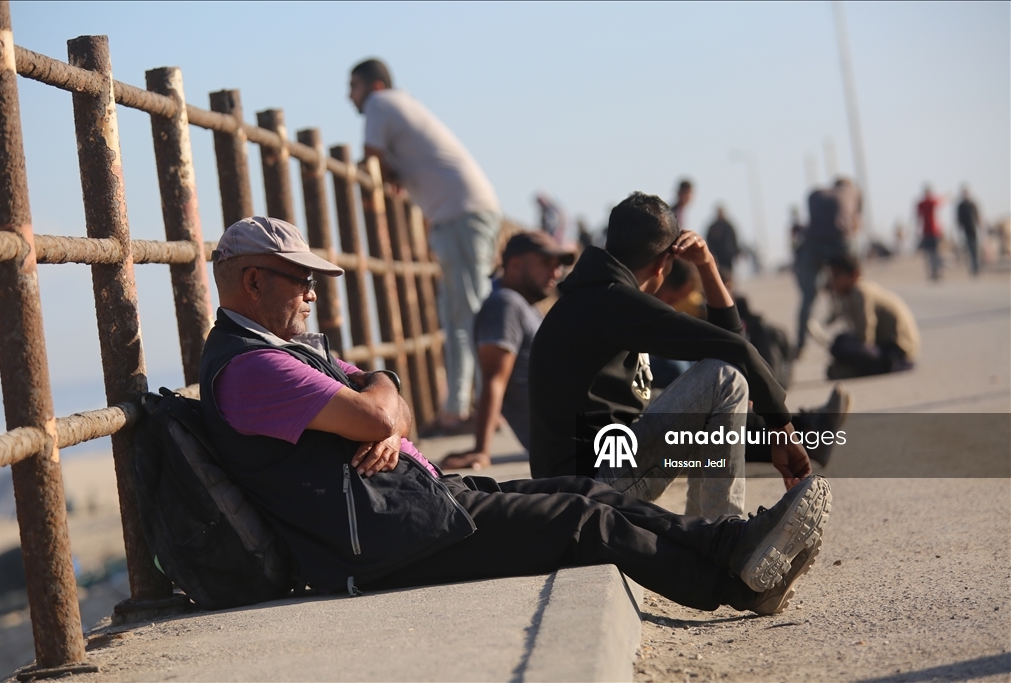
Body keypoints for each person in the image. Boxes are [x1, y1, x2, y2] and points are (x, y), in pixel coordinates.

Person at [198, 215, 833, 618]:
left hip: (409, 506)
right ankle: (736, 583)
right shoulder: (253, 368)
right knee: (580, 520)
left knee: (584, 490)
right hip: (389, 537)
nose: (313, 292)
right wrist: (378, 406)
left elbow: (397, 414)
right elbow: (374, 417)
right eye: (300, 279)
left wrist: (383, 392)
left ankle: (732, 547)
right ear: (253, 282)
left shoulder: (279, 353)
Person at [529, 192, 812, 518]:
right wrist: (783, 430)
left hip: (588, 483)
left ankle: (703, 530)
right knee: (724, 380)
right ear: (663, 263)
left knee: (713, 391)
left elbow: (729, 346)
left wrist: (706, 265)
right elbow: (736, 352)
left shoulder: (596, 296)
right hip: (590, 490)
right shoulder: (610, 301)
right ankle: (724, 532)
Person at [349, 58, 502, 432]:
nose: (348, 95)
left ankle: (482, 412)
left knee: (469, 316)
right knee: (457, 318)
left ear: (374, 85)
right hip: (460, 213)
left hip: (460, 214)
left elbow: (371, 159)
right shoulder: (400, 104)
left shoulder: (379, 104)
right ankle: (460, 410)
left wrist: (377, 177)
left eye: (352, 85)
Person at [440, 232, 575, 470]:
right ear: (514, 264)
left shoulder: (526, 306)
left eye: (558, 267)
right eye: (546, 263)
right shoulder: (504, 304)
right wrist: (481, 450)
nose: (556, 273)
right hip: (568, 441)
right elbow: (495, 380)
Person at [794, 178, 861, 356]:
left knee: (808, 295)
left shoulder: (816, 194)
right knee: (853, 285)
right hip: (840, 241)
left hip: (813, 244)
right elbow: (855, 222)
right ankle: (857, 333)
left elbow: (812, 220)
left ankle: (800, 343)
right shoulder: (854, 192)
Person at [824, 255, 920, 379]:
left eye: (836, 276)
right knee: (842, 345)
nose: (832, 281)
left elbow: (865, 338)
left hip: (898, 355)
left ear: (854, 275)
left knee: (840, 344)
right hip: (890, 350)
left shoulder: (860, 293)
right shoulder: (853, 293)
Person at [916, 185, 944, 281]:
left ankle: (936, 272)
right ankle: (931, 273)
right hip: (926, 232)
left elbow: (939, 202)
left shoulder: (929, 202)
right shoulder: (923, 203)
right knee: (928, 254)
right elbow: (918, 217)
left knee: (935, 253)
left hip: (934, 231)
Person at [705, 205, 741, 278]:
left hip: (728, 256)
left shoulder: (729, 226)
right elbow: (709, 241)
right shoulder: (713, 227)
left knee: (729, 275)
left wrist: (737, 254)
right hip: (717, 257)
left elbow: (734, 240)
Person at [956, 186, 981, 277]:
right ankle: (972, 269)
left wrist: (980, 225)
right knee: (969, 250)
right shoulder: (961, 206)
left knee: (975, 250)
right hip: (966, 230)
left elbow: (977, 215)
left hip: (973, 229)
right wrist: (959, 229)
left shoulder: (972, 204)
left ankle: (976, 268)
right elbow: (959, 218)